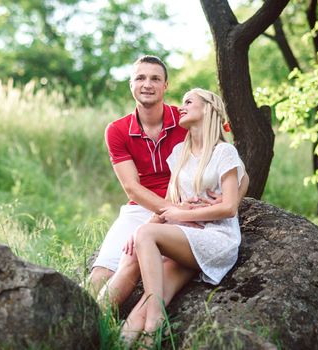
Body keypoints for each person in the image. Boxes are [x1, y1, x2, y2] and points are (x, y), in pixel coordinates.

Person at [89, 55, 248, 297]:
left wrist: (230, 203)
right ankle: (81, 325)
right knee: (102, 274)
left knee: (134, 264)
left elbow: (239, 171)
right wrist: (174, 213)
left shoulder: (185, 119)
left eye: (155, 78)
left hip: (187, 207)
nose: (147, 84)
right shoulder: (117, 130)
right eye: (140, 78)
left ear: (166, 86)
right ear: (131, 84)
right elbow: (132, 188)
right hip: (144, 208)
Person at [108, 88, 245, 344]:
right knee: (142, 308)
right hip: (188, 238)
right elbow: (174, 202)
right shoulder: (180, 153)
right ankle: (128, 341)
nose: (181, 106)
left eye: (189, 101)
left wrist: (180, 217)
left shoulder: (223, 152)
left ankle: (158, 319)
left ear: (207, 108)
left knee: (148, 237)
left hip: (216, 238)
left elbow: (229, 207)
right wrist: (148, 224)